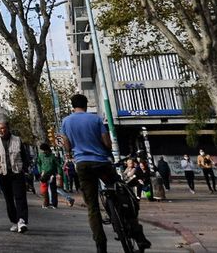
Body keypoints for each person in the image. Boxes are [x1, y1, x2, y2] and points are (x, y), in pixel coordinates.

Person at [60, 93, 150, 253]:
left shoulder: (66, 122)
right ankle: (138, 235)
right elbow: (107, 142)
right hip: (101, 163)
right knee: (121, 193)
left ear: (72, 106)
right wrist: (106, 150)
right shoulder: (95, 119)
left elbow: (66, 145)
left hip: (82, 164)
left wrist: (70, 152)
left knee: (92, 207)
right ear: (86, 105)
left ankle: (101, 246)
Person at [0, 121, 31, 233]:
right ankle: (14, 220)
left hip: (17, 173)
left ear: (8, 128)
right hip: (2, 174)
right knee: (9, 199)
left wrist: (24, 169)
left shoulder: (17, 140)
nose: (0, 130)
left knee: (20, 197)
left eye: (3, 128)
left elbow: (25, 157)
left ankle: (22, 220)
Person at [36, 142, 63, 209]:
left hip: (52, 175)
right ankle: (46, 203)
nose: (44, 152)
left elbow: (58, 166)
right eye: (42, 150)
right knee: (44, 190)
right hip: (44, 174)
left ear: (47, 150)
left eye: (44, 150)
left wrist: (59, 174)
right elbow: (38, 163)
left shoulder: (53, 156)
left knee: (53, 189)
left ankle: (54, 204)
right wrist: (40, 171)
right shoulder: (40, 155)